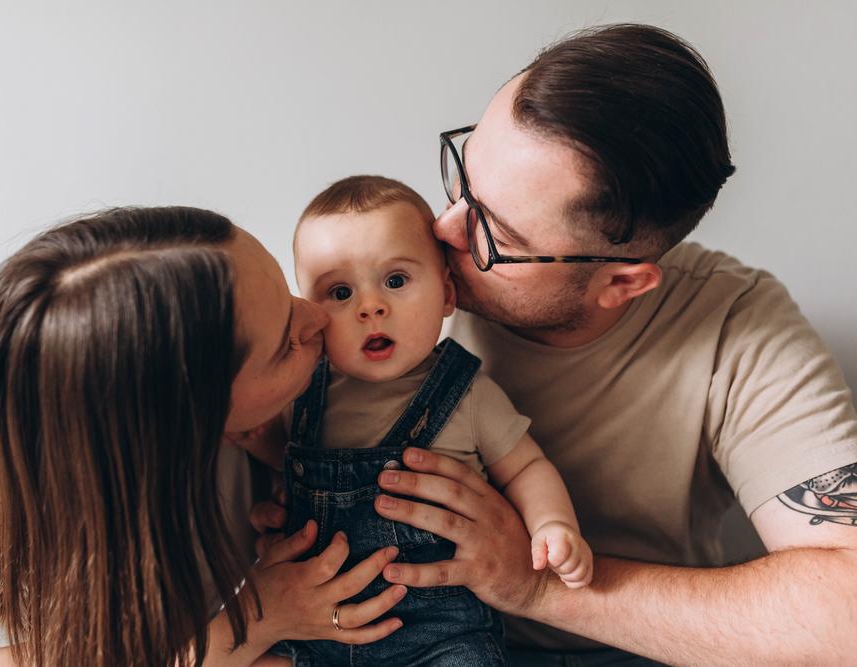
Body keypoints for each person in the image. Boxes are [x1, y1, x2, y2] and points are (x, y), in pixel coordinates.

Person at [251, 24, 857, 665]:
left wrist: (535, 587)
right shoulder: (387, 285)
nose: (442, 228)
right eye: (462, 177)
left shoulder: (733, 326)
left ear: (620, 283)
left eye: (492, 232)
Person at [0, 206, 411, 667]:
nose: (318, 316)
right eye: (284, 346)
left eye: (287, 293)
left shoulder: (287, 413)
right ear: (191, 427)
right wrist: (261, 616)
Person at [232, 176, 592, 666]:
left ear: (446, 295)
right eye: (339, 292)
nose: (370, 307)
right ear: (311, 313)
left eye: (396, 281)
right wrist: (265, 447)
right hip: (315, 631)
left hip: (439, 636)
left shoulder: (465, 394)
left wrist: (553, 525)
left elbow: (527, 468)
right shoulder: (303, 392)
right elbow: (298, 462)